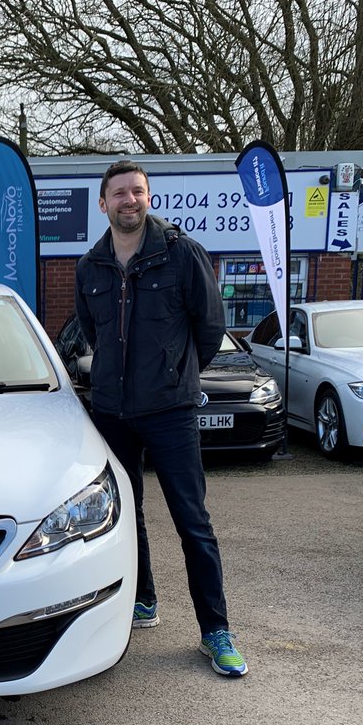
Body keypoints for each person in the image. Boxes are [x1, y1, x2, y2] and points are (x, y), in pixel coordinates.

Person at [74, 160, 247, 677]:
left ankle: (215, 630)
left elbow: (209, 328)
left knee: (193, 521)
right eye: (119, 193)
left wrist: (175, 374)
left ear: (148, 197)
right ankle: (143, 598)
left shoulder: (180, 253)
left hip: (171, 412)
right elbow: (94, 334)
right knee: (126, 514)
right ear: (103, 203)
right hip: (112, 413)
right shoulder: (90, 266)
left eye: (138, 191)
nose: (129, 200)